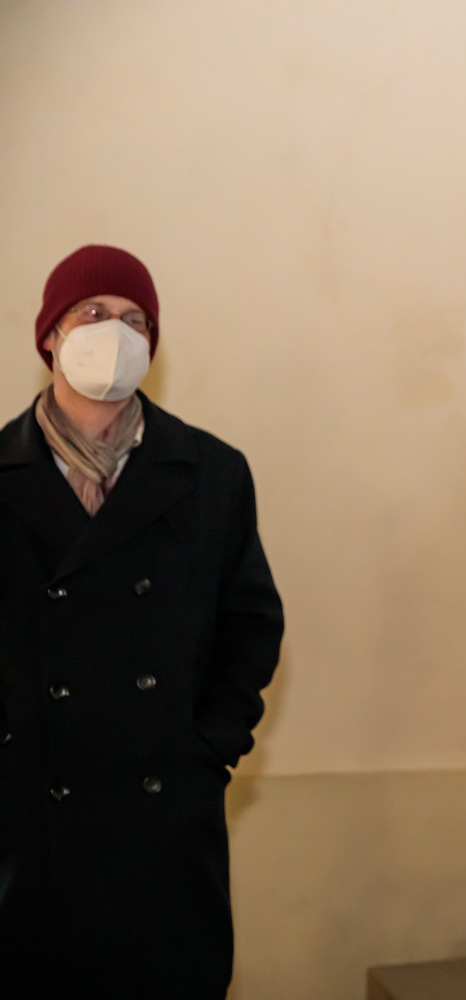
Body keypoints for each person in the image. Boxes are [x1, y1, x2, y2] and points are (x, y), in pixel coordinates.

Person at [0, 245, 284, 998]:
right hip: (31, 828)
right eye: (93, 313)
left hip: (164, 826)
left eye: (135, 320)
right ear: (50, 336)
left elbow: (252, 624)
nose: (115, 333)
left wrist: (208, 747)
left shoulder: (212, 472)